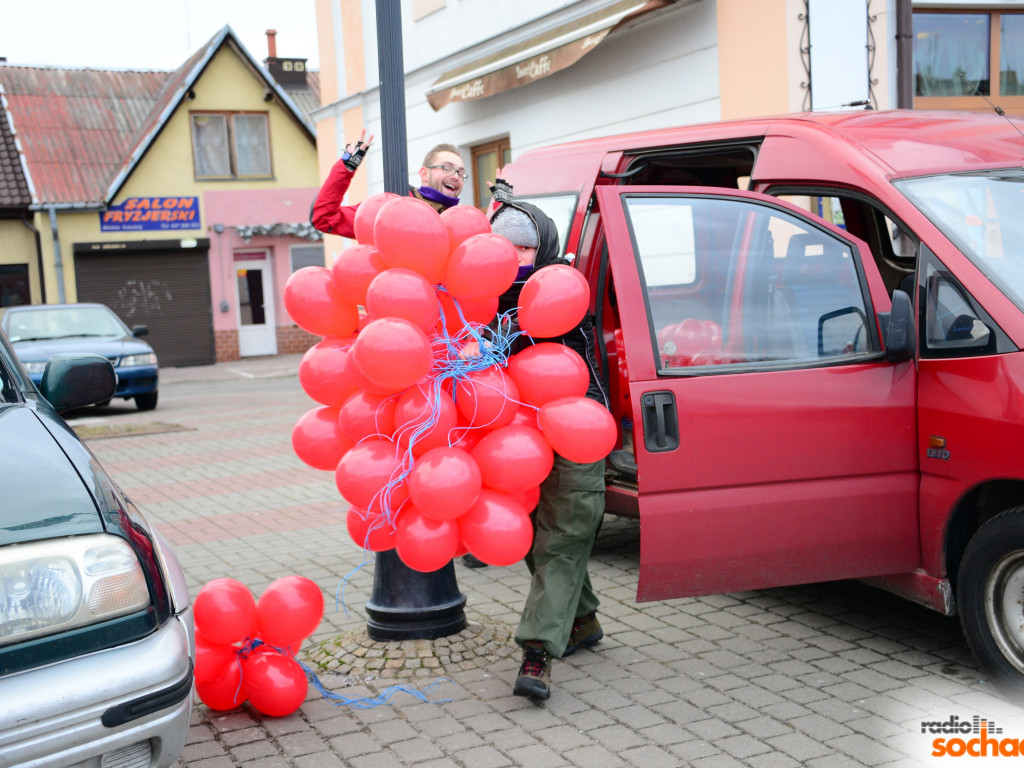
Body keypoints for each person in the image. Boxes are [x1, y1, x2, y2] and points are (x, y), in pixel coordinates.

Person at [486, 199, 610, 701]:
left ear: (545, 247)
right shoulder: (475, 296)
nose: (515, 255)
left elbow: (585, 362)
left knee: (563, 537)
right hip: (512, 439)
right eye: (505, 245)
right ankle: (582, 620)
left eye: (526, 246)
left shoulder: (563, 289)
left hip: (577, 429)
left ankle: (537, 653)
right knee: (535, 538)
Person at [310, 134, 467, 237]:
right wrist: (346, 168)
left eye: (461, 173)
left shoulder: (461, 222)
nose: (455, 176)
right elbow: (325, 218)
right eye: (447, 168)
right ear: (424, 174)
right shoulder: (391, 206)